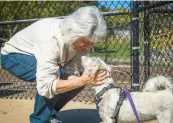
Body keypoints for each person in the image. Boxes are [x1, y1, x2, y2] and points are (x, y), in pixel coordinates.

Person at [1, 6, 107, 123]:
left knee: (75, 80)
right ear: (75, 31)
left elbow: (72, 72)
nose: (87, 47)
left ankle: (50, 115)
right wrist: (81, 81)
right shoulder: (50, 39)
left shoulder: (79, 40)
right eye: (86, 42)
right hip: (13, 56)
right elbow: (46, 85)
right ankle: (39, 120)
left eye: (91, 43)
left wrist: (81, 80)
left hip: (39, 54)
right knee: (58, 78)